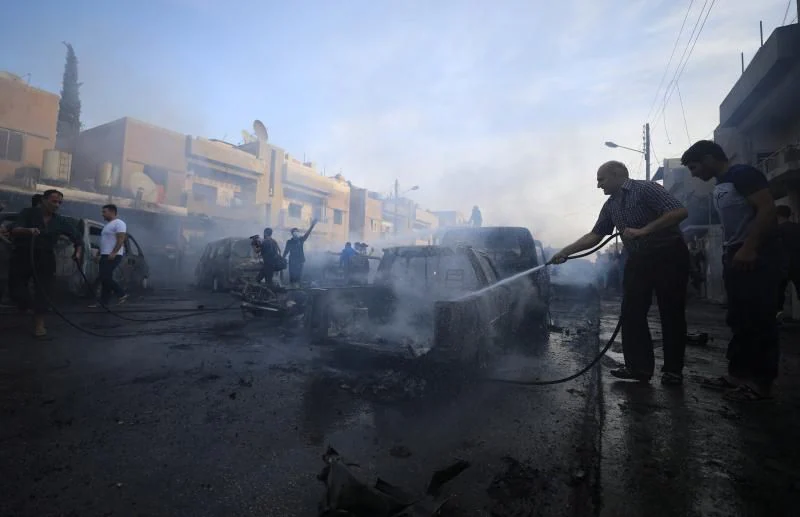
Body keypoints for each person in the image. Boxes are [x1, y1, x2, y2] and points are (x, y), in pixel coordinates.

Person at [552, 161, 689, 385]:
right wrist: (565, 252)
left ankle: (673, 371)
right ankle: (638, 368)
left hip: (669, 254)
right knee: (631, 311)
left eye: (601, 179)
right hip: (639, 259)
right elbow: (595, 236)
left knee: (671, 311)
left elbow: (679, 211)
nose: (598, 185)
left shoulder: (646, 189)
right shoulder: (610, 205)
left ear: (617, 176)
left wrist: (644, 230)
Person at [681, 140, 780, 401]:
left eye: (694, 166)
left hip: (754, 254)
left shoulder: (743, 174)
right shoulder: (721, 184)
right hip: (734, 254)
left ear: (709, 158)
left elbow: (767, 209)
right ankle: (738, 376)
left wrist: (750, 247)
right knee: (739, 319)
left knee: (759, 319)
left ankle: (760, 384)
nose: (693, 173)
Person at [8, 189, 84, 338]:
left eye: (59, 203)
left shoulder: (60, 220)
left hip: (46, 257)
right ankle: (26, 305)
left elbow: (77, 237)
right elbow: (15, 229)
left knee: (43, 291)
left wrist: (78, 251)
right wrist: (28, 230)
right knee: (16, 288)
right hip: (23, 254)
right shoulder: (28, 213)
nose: (57, 205)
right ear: (43, 200)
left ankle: (39, 324)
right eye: (53, 201)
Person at [90, 204, 128, 307]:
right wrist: (99, 253)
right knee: (105, 278)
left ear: (112, 212)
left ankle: (121, 293)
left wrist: (114, 253)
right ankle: (104, 302)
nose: (102, 214)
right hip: (105, 254)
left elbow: (121, 239)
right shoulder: (107, 225)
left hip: (113, 255)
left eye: (104, 212)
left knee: (105, 276)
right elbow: (104, 242)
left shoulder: (119, 223)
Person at [776, 205, 800, 320]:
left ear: (777, 215)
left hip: (782, 266)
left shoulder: (777, 230)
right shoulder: (797, 228)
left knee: (778, 294)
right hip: (797, 264)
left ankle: (778, 318)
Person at [283, 219, 317, 288]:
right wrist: (282, 258)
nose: (296, 233)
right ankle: (292, 287)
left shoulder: (301, 239)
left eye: (297, 231)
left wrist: (312, 226)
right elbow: (286, 251)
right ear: (292, 233)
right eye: (294, 232)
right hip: (292, 261)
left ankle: (298, 287)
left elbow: (307, 234)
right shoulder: (289, 242)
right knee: (292, 276)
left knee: (298, 275)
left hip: (300, 261)